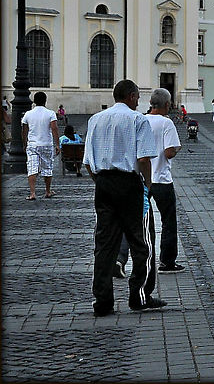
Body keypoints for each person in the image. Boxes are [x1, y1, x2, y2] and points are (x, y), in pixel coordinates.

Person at [82, 79, 166, 316]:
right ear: (130, 96)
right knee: (141, 242)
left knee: (104, 244)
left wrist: (100, 181)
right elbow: (143, 159)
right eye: (138, 97)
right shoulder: (137, 119)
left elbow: (88, 161)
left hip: (104, 183)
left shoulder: (95, 120)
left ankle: (102, 300)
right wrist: (147, 186)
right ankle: (139, 296)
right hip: (130, 185)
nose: (139, 101)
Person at [143, 89, 184, 273]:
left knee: (137, 219)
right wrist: (176, 149)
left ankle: (130, 258)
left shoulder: (141, 120)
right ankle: (167, 262)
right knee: (168, 221)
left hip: (143, 178)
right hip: (161, 178)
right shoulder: (166, 123)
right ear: (167, 105)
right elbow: (168, 152)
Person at [21, 91, 60, 200]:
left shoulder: (28, 114)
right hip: (46, 144)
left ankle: (32, 193)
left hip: (33, 144)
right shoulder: (50, 113)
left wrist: (24, 143)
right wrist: (57, 144)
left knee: (32, 168)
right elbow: (54, 129)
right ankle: (47, 191)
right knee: (47, 167)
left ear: (34, 101)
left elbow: (24, 130)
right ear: (45, 101)